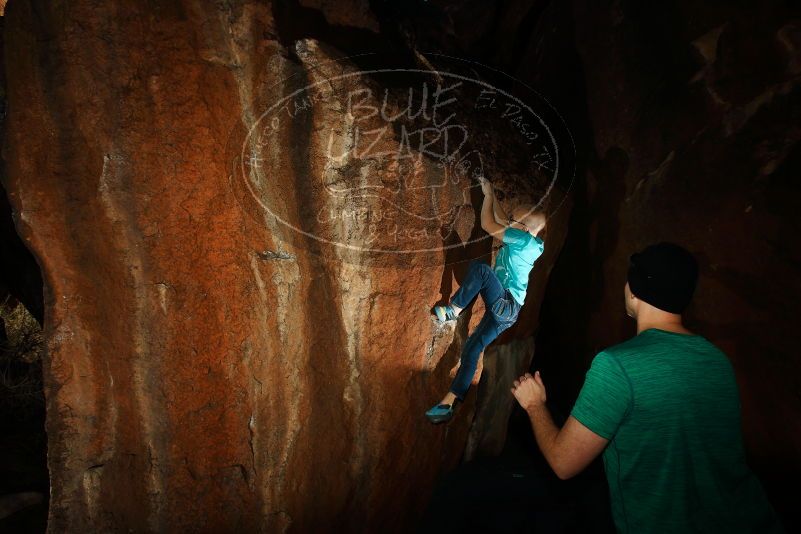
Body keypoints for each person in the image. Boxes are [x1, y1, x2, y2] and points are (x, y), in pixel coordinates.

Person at [510, 242, 784, 533]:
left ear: (633, 290)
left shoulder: (617, 366)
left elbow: (563, 462)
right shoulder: (718, 362)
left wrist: (534, 405)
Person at [425, 176, 546, 424]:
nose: (509, 220)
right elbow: (503, 220)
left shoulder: (522, 241)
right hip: (508, 313)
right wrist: (489, 191)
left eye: (514, 221)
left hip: (505, 303)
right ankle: (448, 403)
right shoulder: (530, 240)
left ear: (523, 229)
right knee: (473, 348)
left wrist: (489, 198)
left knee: (482, 271)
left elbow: (490, 224)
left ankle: (452, 311)